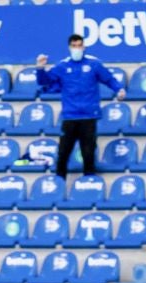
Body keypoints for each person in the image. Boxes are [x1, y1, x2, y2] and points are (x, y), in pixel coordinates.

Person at [35, 34, 125, 180]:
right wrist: (40, 68)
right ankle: (59, 181)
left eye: (79, 46)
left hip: (89, 116)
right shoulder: (62, 66)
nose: (77, 49)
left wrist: (119, 89)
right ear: (69, 47)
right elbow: (44, 81)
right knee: (63, 152)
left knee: (88, 153)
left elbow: (109, 78)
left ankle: (89, 181)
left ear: (84, 47)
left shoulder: (94, 64)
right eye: (74, 46)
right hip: (70, 116)